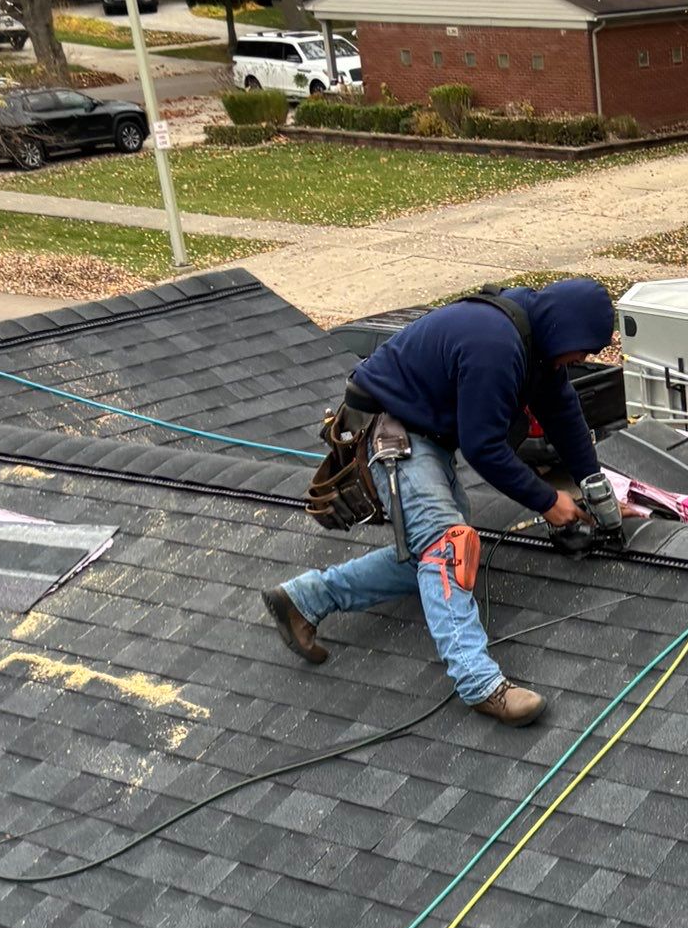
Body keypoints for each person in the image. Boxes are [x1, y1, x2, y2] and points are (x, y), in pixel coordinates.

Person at [264, 277, 621, 724]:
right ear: (563, 330)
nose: (581, 360)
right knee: (449, 547)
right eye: (582, 350)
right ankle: (479, 683)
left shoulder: (537, 343)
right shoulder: (497, 344)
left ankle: (304, 599)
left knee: (431, 562)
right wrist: (549, 502)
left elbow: (563, 411)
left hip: (422, 437)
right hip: (391, 434)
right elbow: (483, 447)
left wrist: (594, 487)